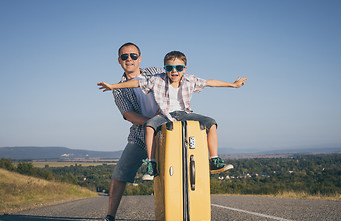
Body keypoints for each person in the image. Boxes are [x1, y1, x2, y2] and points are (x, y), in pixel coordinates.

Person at [98, 50, 248, 181]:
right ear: (165, 68)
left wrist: (232, 84)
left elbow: (210, 82)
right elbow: (135, 84)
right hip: (165, 114)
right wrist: (113, 86)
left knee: (211, 123)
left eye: (179, 68)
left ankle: (214, 160)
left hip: (185, 113)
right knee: (149, 126)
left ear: (184, 69)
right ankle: (151, 164)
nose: (174, 71)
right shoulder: (157, 80)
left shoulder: (190, 80)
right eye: (170, 68)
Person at [93, 42, 164, 221]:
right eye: (125, 57)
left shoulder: (156, 72)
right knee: (119, 173)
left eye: (133, 55)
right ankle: (110, 217)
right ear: (119, 61)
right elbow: (128, 114)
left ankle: (167, 216)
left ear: (140, 58)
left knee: (165, 175)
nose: (129, 59)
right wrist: (150, 122)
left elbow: (176, 80)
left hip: (168, 132)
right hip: (140, 134)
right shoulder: (118, 88)